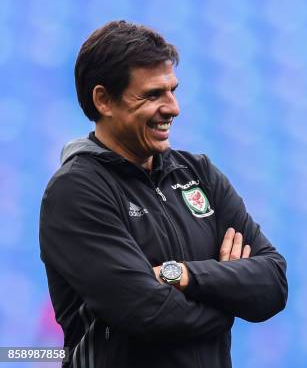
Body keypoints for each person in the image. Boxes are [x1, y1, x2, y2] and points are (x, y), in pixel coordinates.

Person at [39, 20, 288, 368]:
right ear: (104, 100)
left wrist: (181, 275)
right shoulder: (76, 191)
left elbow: (273, 282)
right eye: (153, 95)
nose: (173, 108)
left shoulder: (199, 172)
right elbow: (149, 314)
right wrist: (229, 299)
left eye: (172, 90)